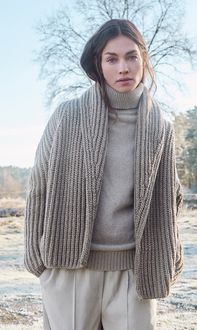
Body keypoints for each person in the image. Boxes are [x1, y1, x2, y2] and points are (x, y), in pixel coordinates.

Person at [24, 18, 183, 330]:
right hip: (68, 268)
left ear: (143, 60)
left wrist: (172, 259)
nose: (123, 67)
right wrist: (37, 259)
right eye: (112, 59)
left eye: (131, 56)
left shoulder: (161, 127)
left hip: (133, 272)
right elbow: (38, 185)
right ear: (98, 65)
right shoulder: (68, 115)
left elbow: (171, 198)